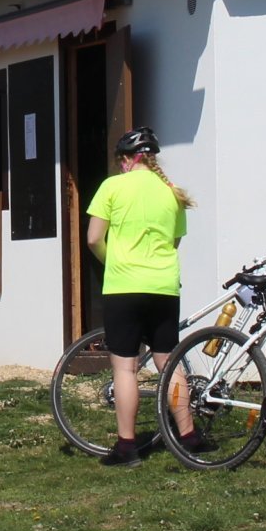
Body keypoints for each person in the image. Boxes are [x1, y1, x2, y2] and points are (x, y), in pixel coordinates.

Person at [85, 128, 204, 465]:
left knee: (125, 369)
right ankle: (189, 435)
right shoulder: (171, 192)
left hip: (124, 286)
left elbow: (94, 239)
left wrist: (116, 261)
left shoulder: (112, 187)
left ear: (126, 160)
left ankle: (127, 446)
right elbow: (174, 243)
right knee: (169, 362)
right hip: (164, 287)